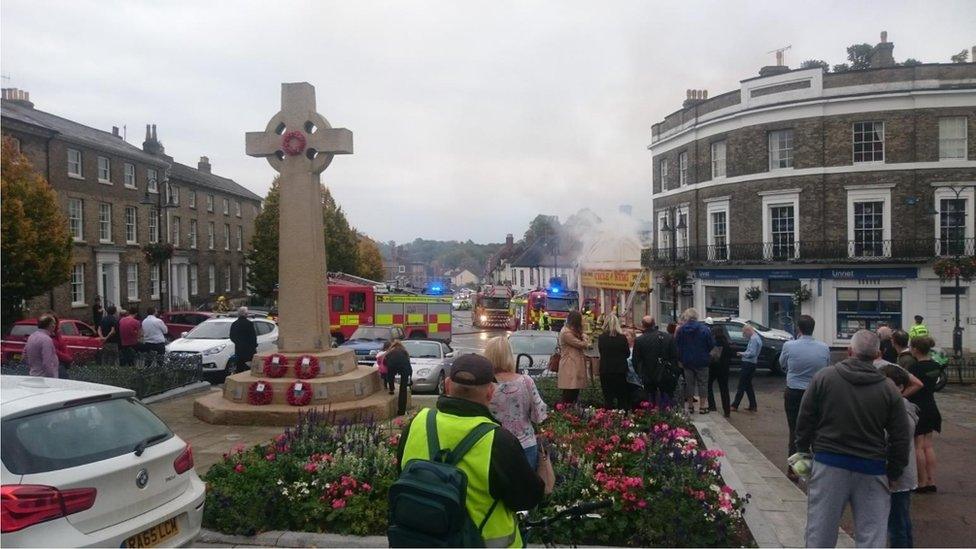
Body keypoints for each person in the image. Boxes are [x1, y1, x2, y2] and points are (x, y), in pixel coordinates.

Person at [395, 354, 544, 547]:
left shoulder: (417, 423)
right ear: (490, 393)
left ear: (447, 385)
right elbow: (527, 499)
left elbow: (401, 472)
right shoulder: (498, 440)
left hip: (422, 540)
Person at [796, 330, 911, 548]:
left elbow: (805, 418)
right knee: (871, 535)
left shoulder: (825, 377)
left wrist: (802, 452)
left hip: (829, 462)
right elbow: (900, 436)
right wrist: (894, 471)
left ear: (849, 351)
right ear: (877, 354)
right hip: (872, 467)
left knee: (820, 530)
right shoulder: (889, 389)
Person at [485, 336, 548, 468]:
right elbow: (539, 414)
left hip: (493, 443)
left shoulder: (485, 385)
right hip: (525, 443)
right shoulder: (526, 381)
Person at [778, 315, 830, 471]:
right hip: (816, 392)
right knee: (816, 429)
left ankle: (796, 470)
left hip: (794, 391)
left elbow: (782, 364)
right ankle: (817, 469)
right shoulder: (824, 347)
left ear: (798, 329)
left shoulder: (789, 346)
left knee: (794, 430)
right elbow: (827, 367)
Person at [878, 363, 919, 548]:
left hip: (898, 476)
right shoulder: (892, 404)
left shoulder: (901, 409)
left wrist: (893, 473)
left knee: (896, 526)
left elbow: (899, 443)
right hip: (897, 473)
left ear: (901, 387)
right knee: (901, 521)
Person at [906, 335, 942, 494]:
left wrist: (903, 394)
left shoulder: (915, 368)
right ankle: (931, 480)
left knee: (918, 446)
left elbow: (914, 386)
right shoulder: (935, 366)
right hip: (932, 406)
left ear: (915, 349)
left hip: (919, 407)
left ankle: (921, 482)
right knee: (928, 445)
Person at [674, 308, 714, 414]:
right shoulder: (705, 329)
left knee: (689, 384)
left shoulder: (681, 330)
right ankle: (702, 406)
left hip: (687, 361)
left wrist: (680, 359)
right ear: (696, 317)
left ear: (686, 317)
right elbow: (711, 345)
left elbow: (677, 346)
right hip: (702, 361)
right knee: (703, 384)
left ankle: (690, 406)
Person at [632, 316, 678, 407]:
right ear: (654, 324)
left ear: (643, 325)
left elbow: (636, 360)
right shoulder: (668, 337)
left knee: (650, 398)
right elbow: (674, 356)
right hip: (665, 373)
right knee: (667, 397)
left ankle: (652, 413)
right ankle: (667, 413)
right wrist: (674, 371)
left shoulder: (639, 340)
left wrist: (640, 373)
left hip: (648, 374)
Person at [597, 314, 631, 410]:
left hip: (605, 370)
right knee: (622, 397)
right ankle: (622, 417)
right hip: (620, 371)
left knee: (608, 398)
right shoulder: (622, 338)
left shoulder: (602, 338)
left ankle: (608, 419)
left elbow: (601, 352)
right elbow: (627, 354)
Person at [557, 310, 589, 404]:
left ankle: (570, 410)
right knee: (569, 390)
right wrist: (585, 339)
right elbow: (581, 344)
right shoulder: (566, 333)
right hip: (570, 364)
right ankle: (565, 410)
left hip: (574, 363)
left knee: (574, 390)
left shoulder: (571, 331)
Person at [732, 325, 761, 412]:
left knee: (742, 384)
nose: (744, 335)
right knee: (748, 385)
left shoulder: (753, 339)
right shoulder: (757, 338)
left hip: (748, 363)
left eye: (744, 333)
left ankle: (735, 405)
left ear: (748, 331)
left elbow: (751, 353)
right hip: (752, 363)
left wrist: (741, 353)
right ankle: (753, 405)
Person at [707, 324, 733, 418]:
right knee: (724, 389)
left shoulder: (716, 343)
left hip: (714, 368)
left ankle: (712, 405)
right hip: (725, 369)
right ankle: (727, 410)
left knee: (708, 385)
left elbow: (714, 357)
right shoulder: (727, 342)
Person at [385, 340, 412, 415]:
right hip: (404, 367)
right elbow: (408, 362)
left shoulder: (390, 351)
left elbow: (385, 361)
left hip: (392, 365)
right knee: (403, 389)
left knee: (390, 375)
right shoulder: (404, 351)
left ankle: (391, 389)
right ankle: (401, 411)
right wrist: (410, 376)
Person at [229, 307, 258, 373]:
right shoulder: (249, 324)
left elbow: (231, 336)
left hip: (239, 350)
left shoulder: (234, 324)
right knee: (249, 369)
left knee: (239, 369)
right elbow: (253, 337)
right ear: (246, 314)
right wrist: (254, 346)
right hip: (249, 350)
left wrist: (238, 343)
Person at [49, 315, 73, 379]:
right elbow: (55, 352)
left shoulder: (57, 334)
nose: (55, 325)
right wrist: (67, 358)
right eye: (53, 323)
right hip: (57, 364)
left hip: (63, 364)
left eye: (55, 323)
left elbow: (63, 346)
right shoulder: (48, 337)